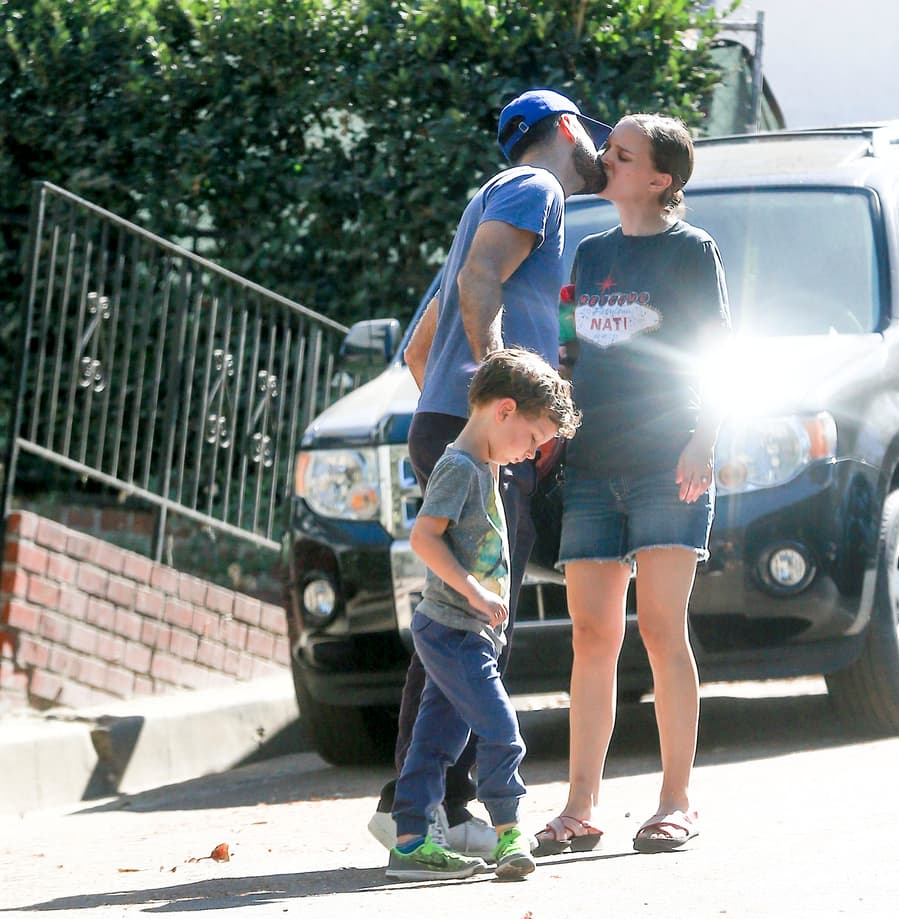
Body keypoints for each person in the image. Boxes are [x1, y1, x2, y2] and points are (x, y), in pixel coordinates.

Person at [369, 88, 610, 857]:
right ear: (566, 128)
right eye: (592, 134)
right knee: (472, 628)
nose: (600, 150)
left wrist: (463, 419)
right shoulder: (535, 187)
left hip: (452, 425)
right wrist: (500, 407)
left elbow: (419, 348)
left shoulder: (490, 204)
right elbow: (479, 282)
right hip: (480, 433)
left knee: (458, 623)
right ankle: (427, 806)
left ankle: (421, 803)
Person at [534, 114, 730, 856]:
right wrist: (546, 426)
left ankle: (677, 801)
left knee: (660, 630)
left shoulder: (692, 251)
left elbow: (719, 353)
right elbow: (568, 349)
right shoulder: (589, 252)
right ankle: (580, 808)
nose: (604, 160)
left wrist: (705, 439)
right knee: (591, 635)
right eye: (608, 149)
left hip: (667, 462)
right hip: (590, 465)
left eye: (621, 154)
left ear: (659, 179)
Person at [387, 348, 581, 881]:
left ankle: (409, 844)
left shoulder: (486, 465)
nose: (531, 453)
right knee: (502, 731)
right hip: (454, 628)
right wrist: (474, 592)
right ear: (504, 410)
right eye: (532, 438)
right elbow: (424, 538)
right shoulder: (459, 468)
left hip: (463, 631)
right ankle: (509, 833)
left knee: (435, 743)